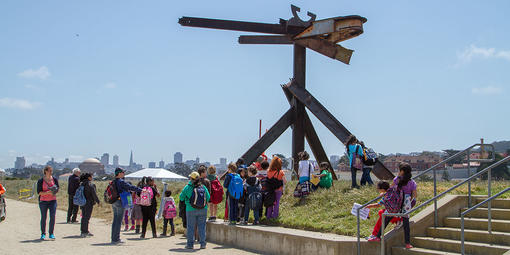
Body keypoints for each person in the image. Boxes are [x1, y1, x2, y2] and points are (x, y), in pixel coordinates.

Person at [374, 163, 417, 249]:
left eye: (399, 170)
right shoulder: (412, 182)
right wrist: (408, 201)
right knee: (406, 223)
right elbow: (414, 195)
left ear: (402, 171)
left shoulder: (397, 179)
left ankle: (378, 236)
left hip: (396, 201)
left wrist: (383, 194)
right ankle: (407, 243)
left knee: (387, 218)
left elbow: (390, 190)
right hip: (406, 202)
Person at [179, 171, 210, 249]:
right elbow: (208, 197)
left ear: (191, 179)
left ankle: (190, 244)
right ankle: (203, 244)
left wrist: (187, 199)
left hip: (190, 209)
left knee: (191, 227)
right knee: (202, 227)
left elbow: (181, 197)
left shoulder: (187, 187)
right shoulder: (203, 187)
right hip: (203, 209)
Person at [111, 167, 142, 244]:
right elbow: (130, 187)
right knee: (118, 220)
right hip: (120, 201)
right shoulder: (121, 181)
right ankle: (116, 239)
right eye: (123, 172)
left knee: (115, 220)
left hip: (114, 201)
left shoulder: (113, 181)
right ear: (119, 173)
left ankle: (113, 238)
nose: (124, 174)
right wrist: (141, 190)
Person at [37, 165, 59, 240]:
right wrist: (48, 192)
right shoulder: (41, 181)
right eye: (49, 171)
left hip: (53, 201)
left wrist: (55, 191)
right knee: (44, 217)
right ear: (45, 171)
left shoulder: (54, 179)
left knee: (52, 217)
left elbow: (57, 188)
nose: (51, 172)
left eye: (51, 171)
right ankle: (43, 233)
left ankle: (51, 233)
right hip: (43, 201)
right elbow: (39, 192)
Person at [79, 173, 100, 237]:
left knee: (83, 216)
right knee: (87, 217)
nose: (92, 177)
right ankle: (85, 231)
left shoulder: (81, 184)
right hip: (89, 202)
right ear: (89, 177)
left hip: (82, 202)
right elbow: (94, 194)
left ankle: (83, 230)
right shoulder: (91, 184)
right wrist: (98, 201)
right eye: (91, 176)